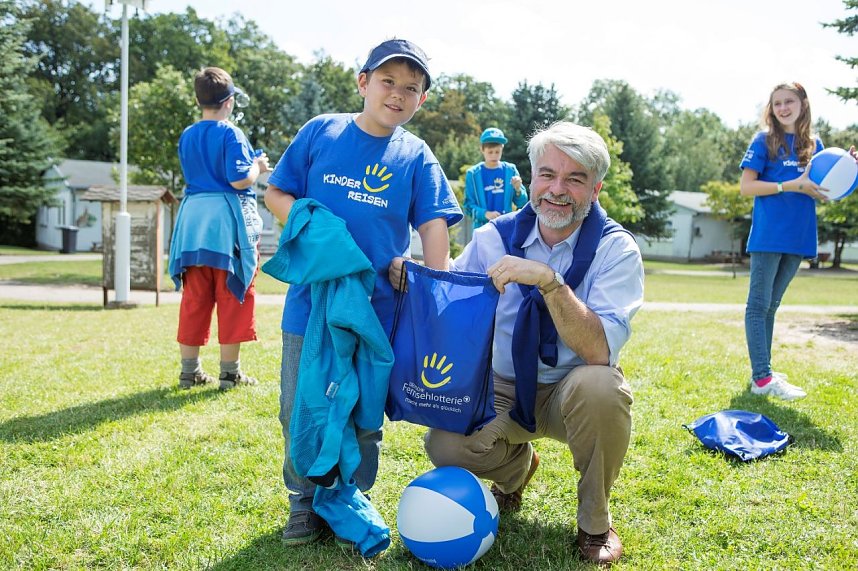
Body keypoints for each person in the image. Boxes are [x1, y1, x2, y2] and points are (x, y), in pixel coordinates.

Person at [263, 38, 462, 546]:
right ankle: (304, 501)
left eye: (411, 88)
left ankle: (349, 496)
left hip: (377, 312)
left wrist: (432, 286)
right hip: (311, 306)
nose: (397, 93)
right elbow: (277, 192)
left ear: (421, 100)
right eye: (388, 81)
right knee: (299, 406)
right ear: (363, 83)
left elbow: (434, 224)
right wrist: (311, 226)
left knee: (363, 411)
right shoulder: (321, 132)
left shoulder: (416, 155)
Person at [418, 121, 643, 565]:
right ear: (531, 177)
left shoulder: (615, 249)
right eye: (548, 174)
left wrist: (551, 283)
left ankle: (595, 522)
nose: (557, 190)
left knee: (603, 386)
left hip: (571, 391)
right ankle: (517, 469)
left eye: (574, 178)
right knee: (443, 445)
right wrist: (411, 277)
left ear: (596, 189)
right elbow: (451, 303)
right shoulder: (492, 238)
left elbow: (599, 351)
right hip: (503, 387)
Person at [739, 82, 857, 401]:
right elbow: (746, 187)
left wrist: (847, 168)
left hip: (799, 234)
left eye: (789, 101)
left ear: (803, 104)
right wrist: (789, 185)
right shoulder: (763, 140)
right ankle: (762, 377)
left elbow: (823, 190)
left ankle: (763, 371)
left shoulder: (814, 144)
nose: (783, 108)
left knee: (772, 305)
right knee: (758, 305)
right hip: (769, 234)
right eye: (777, 103)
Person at [169, 67, 270, 391]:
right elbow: (239, 179)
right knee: (233, 292)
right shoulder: (230, 133)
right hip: (226, 223)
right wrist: (258, 167)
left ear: (199, 100)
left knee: (195, 296)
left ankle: (189, 372)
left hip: (193, 223)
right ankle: (229, 374)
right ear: (229, 102)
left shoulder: (187, 134)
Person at [463, 127, 528, 228]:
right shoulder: (472, 174)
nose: (494, 156)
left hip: (506, 228)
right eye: (490, 152)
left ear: (502, 148)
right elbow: (468, 207)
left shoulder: (510, 170)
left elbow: (522, 203)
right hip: (482, 229)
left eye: (497, 152)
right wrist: (485, 214)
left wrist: (518, 189)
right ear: (482, 149)